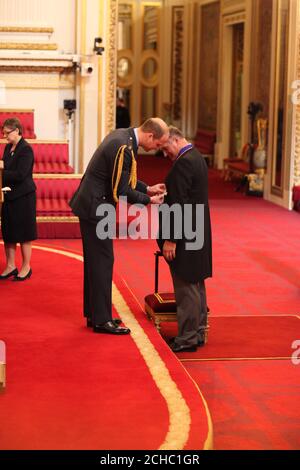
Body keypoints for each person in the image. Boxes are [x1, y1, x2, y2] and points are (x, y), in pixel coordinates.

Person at [69, 117, 169, 335]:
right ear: (150, 135)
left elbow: (123, 178)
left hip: (92, 204)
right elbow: (122, 190)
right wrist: (148, 200)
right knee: (103, 261)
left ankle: (95, 314)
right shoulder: (124, 146)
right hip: (96, 208)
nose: (157, 150)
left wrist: (147, 188)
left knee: (96, 262)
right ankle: (102, 320)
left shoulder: (124, 137)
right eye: (158, 145)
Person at [158, 126, 212, 352]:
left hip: (185, 234)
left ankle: (187, 338)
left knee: (186, 285)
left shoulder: (183, 163)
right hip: (197, 229)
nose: (164, 154)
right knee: (196, 282)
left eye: (165, 147)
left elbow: (178, 206)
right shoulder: (196, 156)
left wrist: (171, 239)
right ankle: (198, 332)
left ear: (176, 139)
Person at [0, 118, 37, 281]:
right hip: (8, 195)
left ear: (16, 130)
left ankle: (26, 266)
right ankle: (10, 265)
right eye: (3, 133)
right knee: (9, 232)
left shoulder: (26, 149)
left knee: (23, 233)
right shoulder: (8, 147)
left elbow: (21, 174)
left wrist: (0, 172)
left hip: (24, 196)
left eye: (7, 133)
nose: (4, 136)